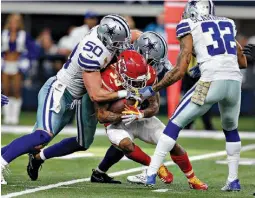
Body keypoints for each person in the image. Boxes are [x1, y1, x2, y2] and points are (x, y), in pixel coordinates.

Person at [1, 14, 133, 185]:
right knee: (41, 137)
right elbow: (96, 94)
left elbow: (133, 36)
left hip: (79, 95)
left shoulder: (101, 33)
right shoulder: (92, 52)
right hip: (60, 92)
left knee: (83, 142)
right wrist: (126, 93)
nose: (121, 45)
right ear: (107, 38)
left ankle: (38, 158)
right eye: (118, 42)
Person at [137, 0, 247, 191]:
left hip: (211, 81)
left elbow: (179, 71)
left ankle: (151, 173)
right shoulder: (228, 23)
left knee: (174, 123)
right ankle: (233, 180)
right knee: (231, 129)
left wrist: (154, 88)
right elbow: (242, 61)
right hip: (234, 83)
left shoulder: (190, 25)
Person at [91, 32, 208, 190]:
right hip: (116, 122)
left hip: (139, 117)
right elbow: (101, 116)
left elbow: (154, 106)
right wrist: (123, 114)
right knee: (124, 144)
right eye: (133, 82)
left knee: (171, 142)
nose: (138, 86)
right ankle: (155, 167)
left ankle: (193, 179)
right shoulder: (108, 77)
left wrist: (140, 114)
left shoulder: (149, 73)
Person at [1, 14, 39, 125]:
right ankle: (7, 116)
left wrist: (26, 60)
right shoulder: (3, 34)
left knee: (16, 90)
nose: (14, 24)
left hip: (17, 64)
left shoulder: (24, 35)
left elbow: (33, 49)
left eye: (17, 21)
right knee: (6, 90)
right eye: (12, 21)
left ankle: (15, 117)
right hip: (5, 64)